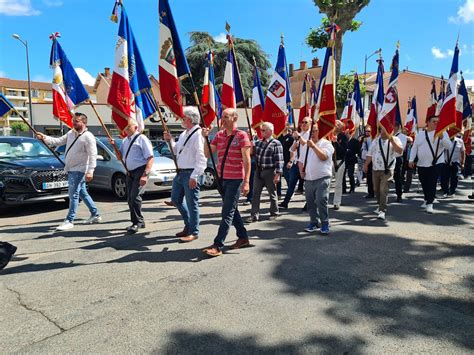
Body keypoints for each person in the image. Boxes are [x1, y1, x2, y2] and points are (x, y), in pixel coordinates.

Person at [37, 112, 101, 231]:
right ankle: (95, 214)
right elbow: (58, 141)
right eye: (73, 120)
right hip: (71, 169)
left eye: (76, 121)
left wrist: (90, 171)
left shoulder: (88, 136)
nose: (73, 122)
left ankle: (69, 220)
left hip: (79, 170)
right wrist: (44, 137)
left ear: (84, 122)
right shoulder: (71, 133)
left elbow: (93, 155)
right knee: (82, 193)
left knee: (73, 195)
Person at [201, 108, 252, 257]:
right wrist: (205, 138)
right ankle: (243, 238)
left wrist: (246, 181)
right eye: (222, 117)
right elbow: (206, 153)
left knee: (227, 211)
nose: (222, 119)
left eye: (226, 117)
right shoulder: (219, 135)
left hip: (235, 179)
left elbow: (247, 160)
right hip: (222, 178)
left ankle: (218, 245)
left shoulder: (242, 136)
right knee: (232, 210)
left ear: (234, 118)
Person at [163, 106, 207, 242]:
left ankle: (194, 231)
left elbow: (202, 157)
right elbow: (176, 151)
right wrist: (169, 140)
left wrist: (195, 176)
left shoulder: (198, 134)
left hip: (191, 172)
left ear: (189, 119)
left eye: (183, 118)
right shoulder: (184, 134)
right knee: (175, 199)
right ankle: (189, 225)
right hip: (181, 172)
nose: (181, 119)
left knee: (192, 203)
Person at [112, 119, 154, 234]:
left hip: (140, 170)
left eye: (128, 126)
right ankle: (138, 221)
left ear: (135, 127)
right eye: (125, 127)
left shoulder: (142, 139)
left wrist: (145, 175)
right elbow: (119, 157)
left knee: (135, 197)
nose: (126, 128)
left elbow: (150, 157)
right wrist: (114, 146)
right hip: (129, 172)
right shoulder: (125, 140)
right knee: (130, 198)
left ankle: (137, 222)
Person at [409, 116, 452, 214]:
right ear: (427, 122)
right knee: (424, 183)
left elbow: (448, 146)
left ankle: (430, 204)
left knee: (432, 183)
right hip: (421, 163)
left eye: (437, 121)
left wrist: (442, 138)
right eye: (434, 121)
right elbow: (415, 147)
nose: (436, 123)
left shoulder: (442, 133)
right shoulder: (420, 134)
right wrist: (411, 159)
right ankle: (426, 199)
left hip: (436, 163)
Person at [299, 123, 334, 234]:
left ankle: (325, 223)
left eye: (315, 131)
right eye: (311, 131)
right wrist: (301, 170)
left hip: (322, 177)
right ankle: (314, 222)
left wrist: (314, 146)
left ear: (320, 131)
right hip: (309, 178)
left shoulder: (327, 144)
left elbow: (323, 157)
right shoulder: (306, 145)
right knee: (310, 202)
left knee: (320, 200)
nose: (312, 133)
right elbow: (301, 160)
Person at [246, 122, 284, 223]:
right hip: (259, 171)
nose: (261, 132)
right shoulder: (258, 143)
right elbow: (251, 154)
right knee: (255, 194)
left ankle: (274, 212)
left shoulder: (276, 143)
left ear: (270, 131)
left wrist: (278, 174)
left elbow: (279, 160)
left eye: (264, 130)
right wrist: (251, 146)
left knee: (272, 193)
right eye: (261, 130)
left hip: (270, 171)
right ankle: (254, 215)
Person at [364, 128, 403, 220]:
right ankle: (380, 204)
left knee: (383, 190)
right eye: (383, 130)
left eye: (387, 130)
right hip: (375, 169)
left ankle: (382, 210)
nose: (385, 132)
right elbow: (370, 154)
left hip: (387, 170)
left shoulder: (395, 139)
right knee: (376, 190)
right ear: (380, 131)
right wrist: (366, 165)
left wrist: (392, 140)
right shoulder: (375, 141)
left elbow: (400, 151)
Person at [279, 117, 311, 209]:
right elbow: (292, 150)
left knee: (307, 185)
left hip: (305, 163)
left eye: (306, 122)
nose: (303, 124)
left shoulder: (310, 134)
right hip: (296, 163)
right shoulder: (300, 134)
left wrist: (299, 138)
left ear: (310, 124)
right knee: (291, 184)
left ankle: (308, 203)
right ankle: (285, 202)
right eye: (302, 122)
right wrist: (295, 145)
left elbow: (306, 144)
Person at [332, 121, 348, 209]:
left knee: (338, 184)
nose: (335, 125)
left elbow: (343, 151)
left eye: (337, 124)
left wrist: (336, 143)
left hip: (340, 161)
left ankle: (337, 202)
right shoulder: (329, 135)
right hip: (330, 161)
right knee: (327, 182)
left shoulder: (343, 137)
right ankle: (324, 201)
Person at [277, 124, 294, 199]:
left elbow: (293, 150)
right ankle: (278, 194)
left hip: (286, 160)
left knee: (288, 177)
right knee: (278, 178)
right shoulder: (278, 137)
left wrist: (291, 161)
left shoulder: (290, 138)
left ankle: (291, 191)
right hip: (278, 161)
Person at [393, 122, 409, 202]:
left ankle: (399, 195)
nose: (393, 127)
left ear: (398, 127)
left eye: (394, 125)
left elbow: (400, 149)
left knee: (398, 177)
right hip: (388, 158)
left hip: (397, 158)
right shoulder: (389, 134)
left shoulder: (402, 137)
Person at [360, 125, 374, 198]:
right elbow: (362, 150)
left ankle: (374, 192)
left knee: (373, 177)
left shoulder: (373, 139)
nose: (367, 132)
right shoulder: (363, 139)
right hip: (366, 159)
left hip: (373, 160)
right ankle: (370, 192)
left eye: (369, 131)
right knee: (368, 176)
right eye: (366, 131)